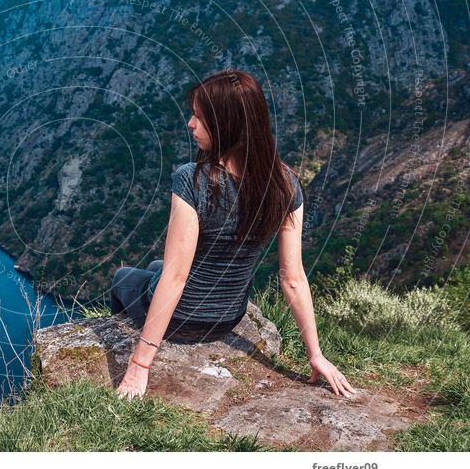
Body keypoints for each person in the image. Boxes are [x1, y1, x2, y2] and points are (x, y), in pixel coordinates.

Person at [112, 69, 356, 401]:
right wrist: (316, 354)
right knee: (157, 265)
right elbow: (293, 279)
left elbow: (177, 276)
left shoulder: (192, 180)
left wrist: (140, 365)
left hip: (182, 321)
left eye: (199, 117)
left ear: (226, 124)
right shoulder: (286, 184)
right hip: (228, 319)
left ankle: (119, 333)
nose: (190, 124)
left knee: (124, 276)